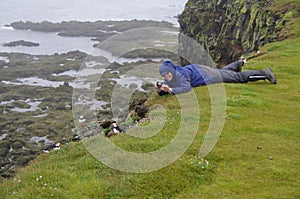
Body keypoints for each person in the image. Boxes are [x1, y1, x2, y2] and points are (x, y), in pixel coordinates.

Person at [156, 59, 277, 95]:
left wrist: (171, 90)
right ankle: (237, 64)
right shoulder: (169, 77)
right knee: (223, 73)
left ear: (171, 70)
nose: (166, 77)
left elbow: (186, 87)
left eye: (167, 73)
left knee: (238, 78)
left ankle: (265, 73)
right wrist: (160, 90)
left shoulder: (179, 74)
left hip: (206, 74)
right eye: (164, 75)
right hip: (200, 69)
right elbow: (167, 89)